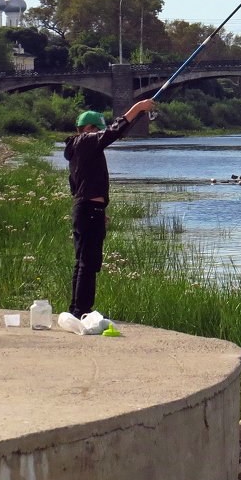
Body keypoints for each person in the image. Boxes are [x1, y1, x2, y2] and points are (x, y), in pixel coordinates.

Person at [63, 99, 156, 319]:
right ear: (89, 129)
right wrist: (138, 107)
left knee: (82, 262)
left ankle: (76, 310)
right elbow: (115, 131)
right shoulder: (86, 142)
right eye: (98, 130)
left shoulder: (76, 149)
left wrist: (99, 209)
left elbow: (77, 186)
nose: (100, 135)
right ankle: (82, 312)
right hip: (88, 211)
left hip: (85, 209)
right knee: (89, 263)